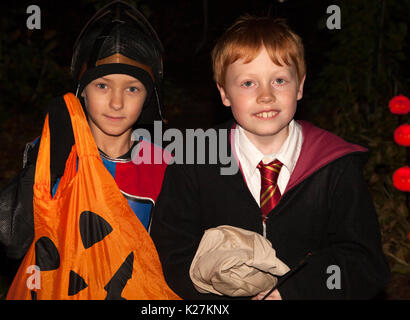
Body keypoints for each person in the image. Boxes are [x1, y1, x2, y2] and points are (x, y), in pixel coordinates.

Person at [150, 15, 390, 300]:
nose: (266, 96)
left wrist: (289, 291)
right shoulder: (193, 162)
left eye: (279, 80)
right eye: (248, 83)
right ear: (224, 93)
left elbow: (363, 263)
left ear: (299, 86)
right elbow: (170, 255)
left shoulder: (335, 166)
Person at [0, 0, 178, 299]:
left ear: (148, 98)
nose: (117, 102)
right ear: (81, 91)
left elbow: (175, 255)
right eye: (102, 86)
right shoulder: (53, 150)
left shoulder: (161, 165)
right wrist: (49, 163)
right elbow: (11, 236)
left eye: (132, 88)